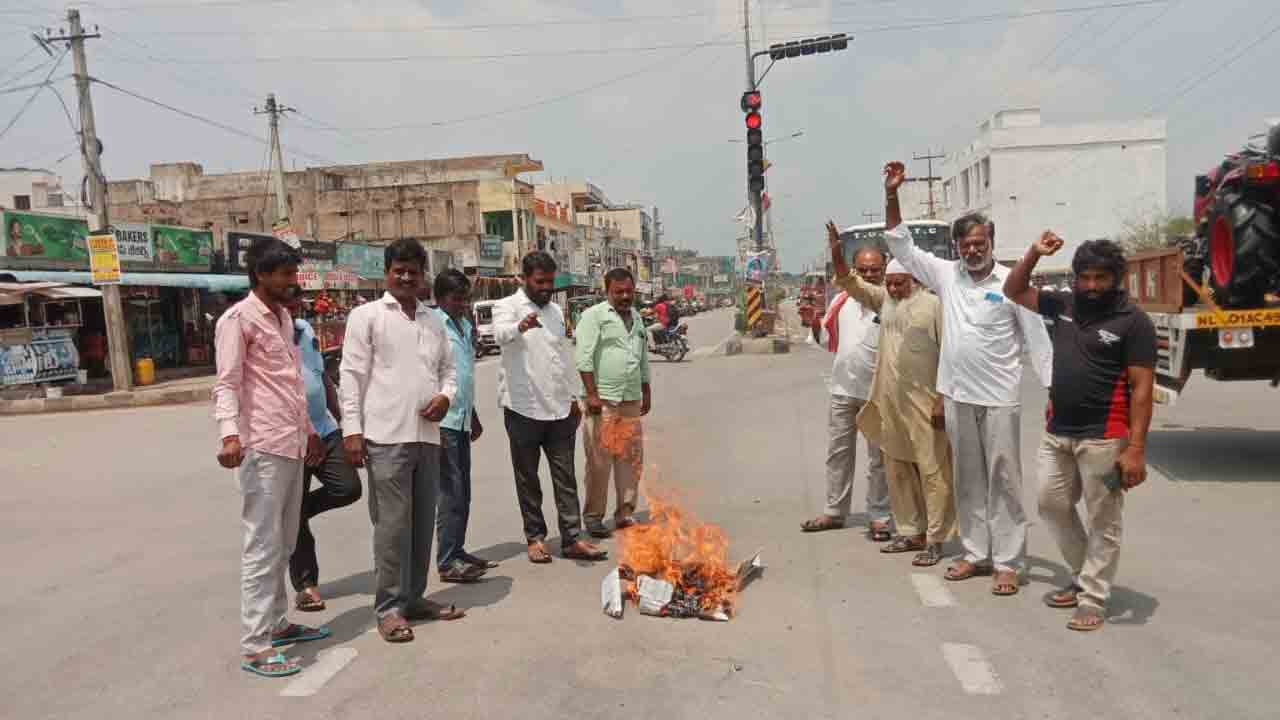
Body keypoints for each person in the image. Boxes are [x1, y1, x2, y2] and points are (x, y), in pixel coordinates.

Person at [881, 160, 1053, 596]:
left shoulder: (1011, 280)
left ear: (991, 242)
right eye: (966, 244)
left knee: (1004, 481)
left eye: (979, 243)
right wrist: (892, 194)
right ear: (957, 247)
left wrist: (1055, 392)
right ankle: (975, 554)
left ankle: (1008, 562)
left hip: (999, 398)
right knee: (968, 479)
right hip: (957, 396)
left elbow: (1038, 341)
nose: (973, 250)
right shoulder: (946, 275)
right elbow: (902, 247)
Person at [1004, 234, 1156, 631]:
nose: (1091, 286)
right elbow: (1014, 289)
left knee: (1104, 517)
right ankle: (1082, 572)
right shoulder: (1063, 305)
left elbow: (1142, 389)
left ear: (1116, 278)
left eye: (1100, 278)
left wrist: (1136, 448)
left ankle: (1092, 597)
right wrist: (1034, 252)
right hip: (1058, 430)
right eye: (1084, 277)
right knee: (1050, 503)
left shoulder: (1133, 321)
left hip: (1104, 437)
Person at [213, 237, 328, 679]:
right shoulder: (237, 320)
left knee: (284, 542)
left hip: (292, 442)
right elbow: (227, 383)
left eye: (293, 273)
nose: (292, 282)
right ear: (261, 275)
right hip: (260, 446)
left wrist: (311, 432)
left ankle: (278, 624)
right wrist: (229, 435)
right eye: (284, 274)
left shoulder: (283, 318)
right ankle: (255, 645)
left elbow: (289, 384)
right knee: (262, 547)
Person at [339, 238, 464, 644]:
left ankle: (414, 598)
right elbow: (352, 375)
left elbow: (449, 370)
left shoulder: (433, 320)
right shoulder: (367, 316)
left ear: (422, 274)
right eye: (399, 270)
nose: (407, 277)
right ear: (387, 271)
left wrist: (446, 397)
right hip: (384, 436)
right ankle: (389, 608)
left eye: (413, 270)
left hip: (427, 437)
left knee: (422, 523)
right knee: (392, 527)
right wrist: (352, 430)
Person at [826, 223, 955, 566]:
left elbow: (950, 356)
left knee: (932, 471)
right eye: (891, 283)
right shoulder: (885, 302)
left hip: (926, 404)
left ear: (913, 280)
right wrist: (837, 254)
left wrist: (943, 399)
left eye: (900, 282)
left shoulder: (933, 306)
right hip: (890, 403)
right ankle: (911, 531)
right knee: (897, 470)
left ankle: (936, 538)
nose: (895, 288)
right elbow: (851, 283)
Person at [494, 251, 607, 564]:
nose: (546, 287)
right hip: (522, 409)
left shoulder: (556, 311)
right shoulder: (507, 307)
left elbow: (561, 358)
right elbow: (499, 336)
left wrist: (575, 397)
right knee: (528, 479)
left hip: (559, 409)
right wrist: (520, 326)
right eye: (539, 282)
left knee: (565, 477)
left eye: (550, 282)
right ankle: (535, 538)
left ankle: (572, 538)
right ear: (524, 279)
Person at [801, 243, 893, 541]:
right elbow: (826, 339)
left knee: (880, 459)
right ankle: (834, 512)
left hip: (878, 395)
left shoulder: (892, 301)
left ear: (884, 268)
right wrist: (814, 321)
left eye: (874, 270)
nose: (868, 275)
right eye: (863, 270)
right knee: (838, 454)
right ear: (853, 271)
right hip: (843, 390)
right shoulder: (841, 300)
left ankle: (879, 516)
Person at [285, 288, 362, 613]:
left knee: (348, 488)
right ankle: (306, 585)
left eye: (296, 303)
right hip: (290, 437)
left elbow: (322, 378)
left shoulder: (304, 330)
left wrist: (345, 423)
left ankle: (295, 514)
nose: (293, 308)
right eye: (288, 302)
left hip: (326, 429)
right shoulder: (261, 334)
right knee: (294, 515)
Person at [575, 267, 652, 538]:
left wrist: (646, 389)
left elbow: (642, 357)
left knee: (630, 459)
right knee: (599, 460)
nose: (624, 296)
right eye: (618, 292)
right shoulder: (593, 316)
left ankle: (625, 512)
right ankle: (594, 517)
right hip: (603, 399)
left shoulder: (637, 318)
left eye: (629, 291)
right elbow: (584, 358)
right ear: (607, 291)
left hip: (631, 398)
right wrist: (591, 394)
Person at [432, 269, 498, 582]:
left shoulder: (463, 325)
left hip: (461, 418)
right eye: (456, 299)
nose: (462, 304)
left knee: (464, 492)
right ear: (440, 298)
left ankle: (457, 550)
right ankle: (446, 561)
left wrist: (473, 416)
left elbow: (463, 377)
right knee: (450, 493)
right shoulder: (433, 326)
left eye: (465, 298)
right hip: (442, 423)